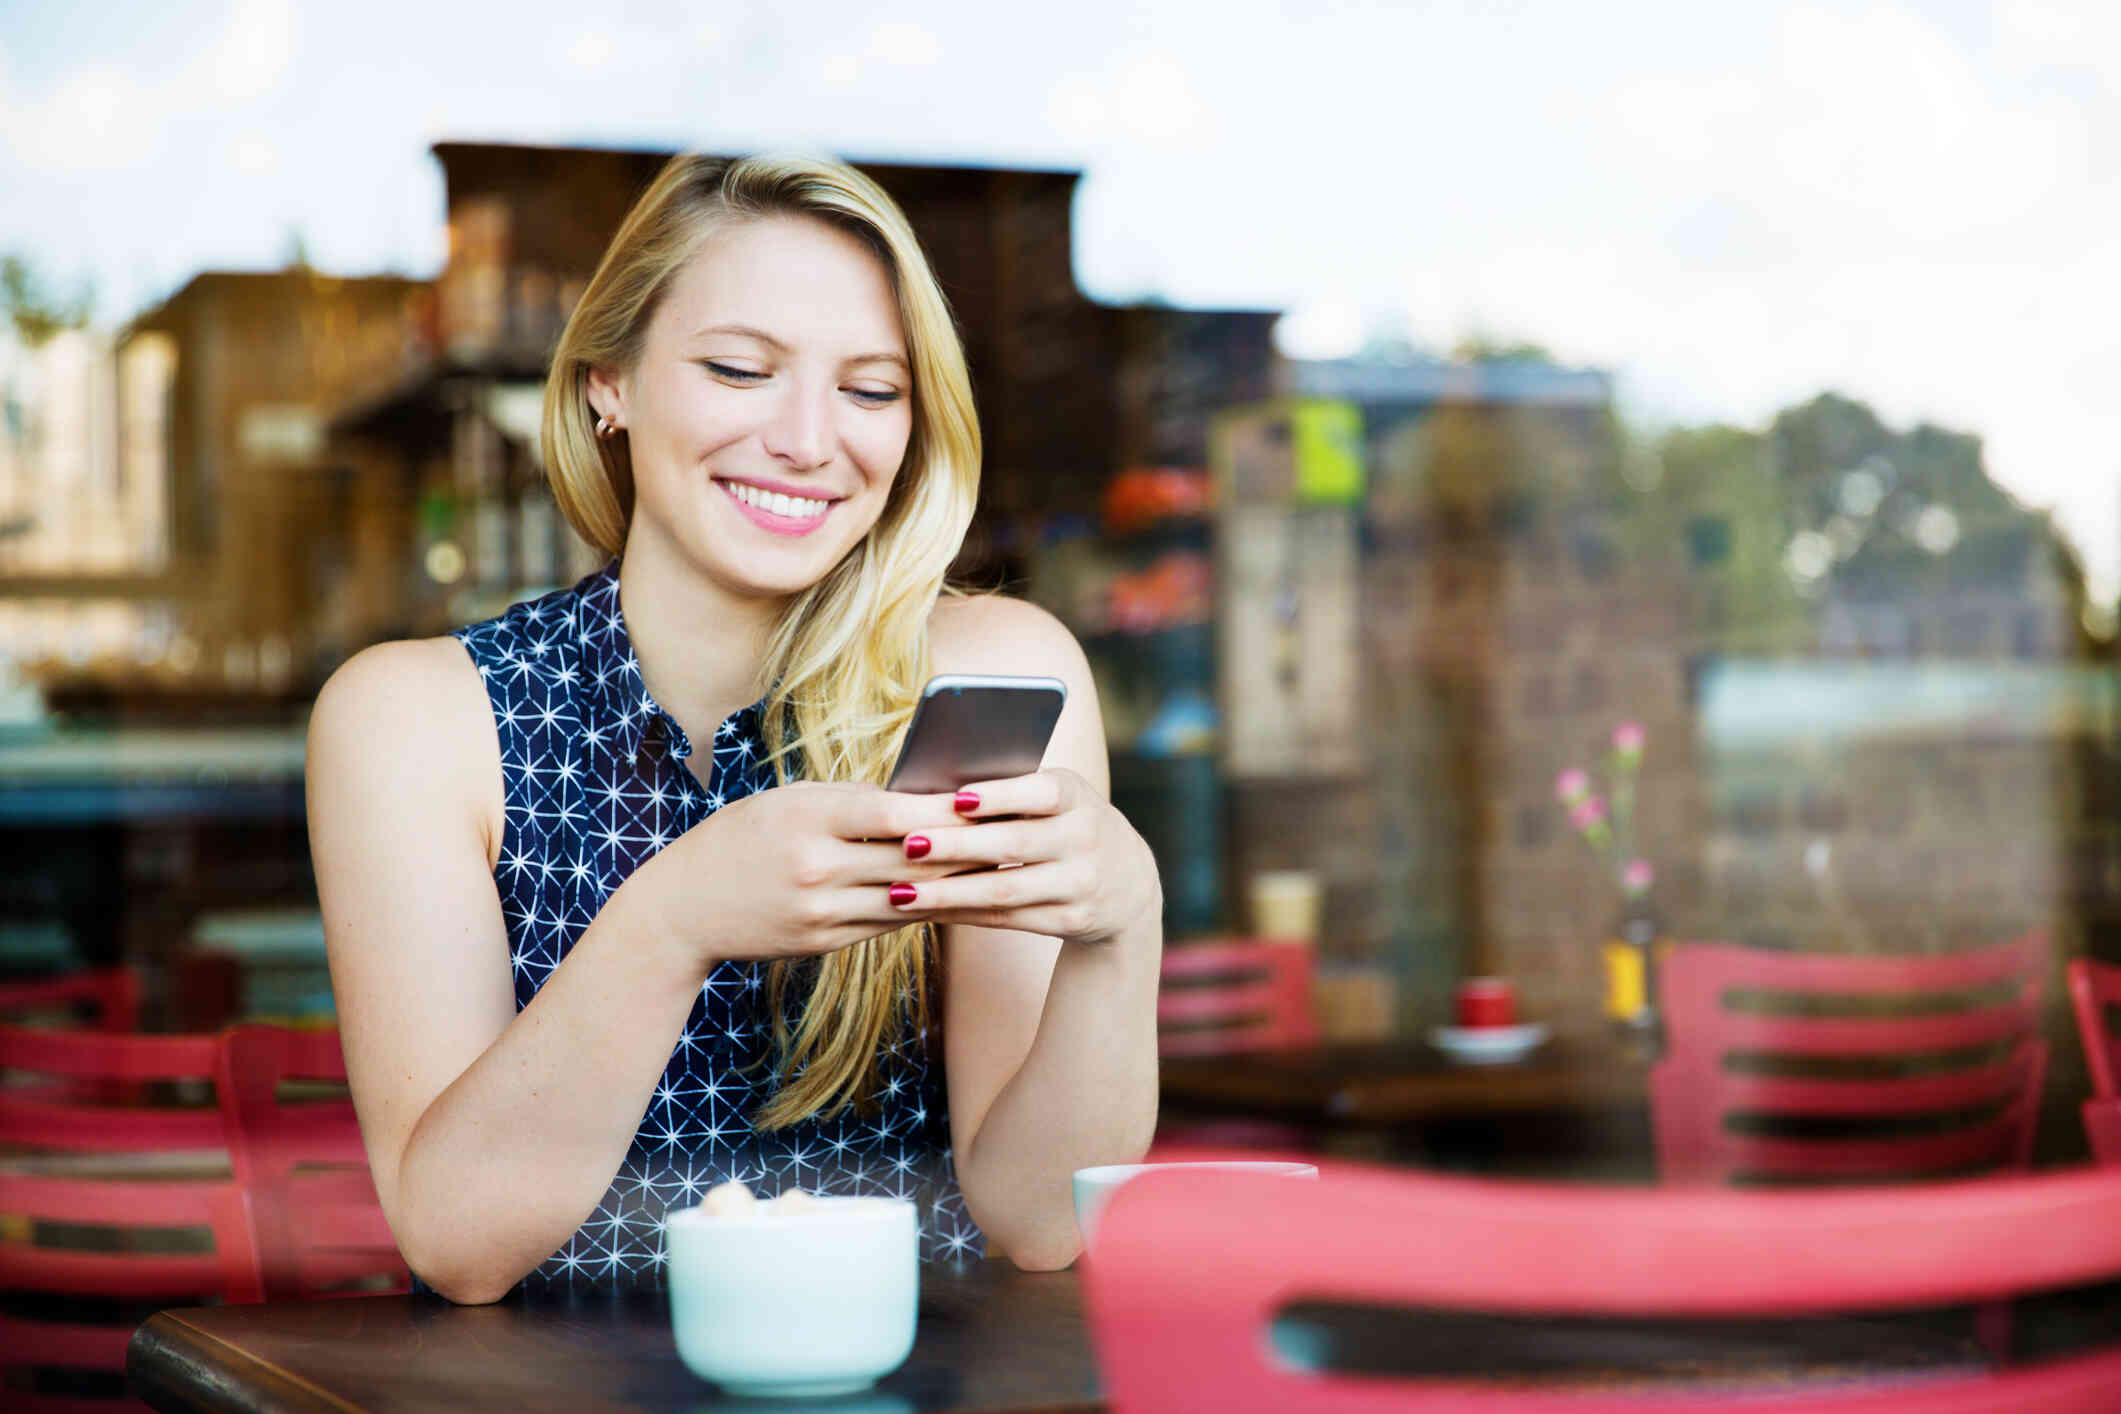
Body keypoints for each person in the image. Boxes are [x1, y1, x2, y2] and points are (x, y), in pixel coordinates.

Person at [307, 154, 1164, 1302]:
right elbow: (461, 1246)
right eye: (739, 368)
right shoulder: (416, 719)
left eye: (871, 391)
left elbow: (1039, 1220)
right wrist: (677, 918)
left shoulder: (988, 672)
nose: (810, 441)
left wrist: (1123, 928)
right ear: (609, 379)